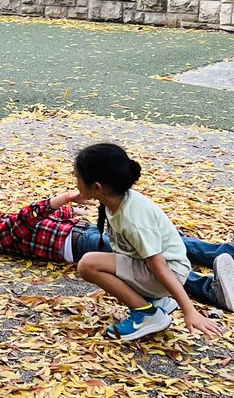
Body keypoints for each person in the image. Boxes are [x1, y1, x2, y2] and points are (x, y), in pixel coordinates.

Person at [0, 192, 234, 311]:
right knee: (148, 255)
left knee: (157, 241)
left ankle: (220, 254)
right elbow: (28, 218)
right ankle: (208, 288)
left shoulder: (3, 222)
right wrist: (64, 199)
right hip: (82, 244)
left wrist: (70, 211)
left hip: (84, 235)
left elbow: (40, 219)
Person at [73, 143, 223, 342]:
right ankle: (156, 301)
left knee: (88, 264)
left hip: (169, 272)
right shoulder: (117, 199)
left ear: (97, 187)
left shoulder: (133, 219)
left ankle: (147, 314)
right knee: (102, 261)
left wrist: (189, 311)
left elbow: (160, 267)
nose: (75, 182)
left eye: (77, 177)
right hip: (156, 268)